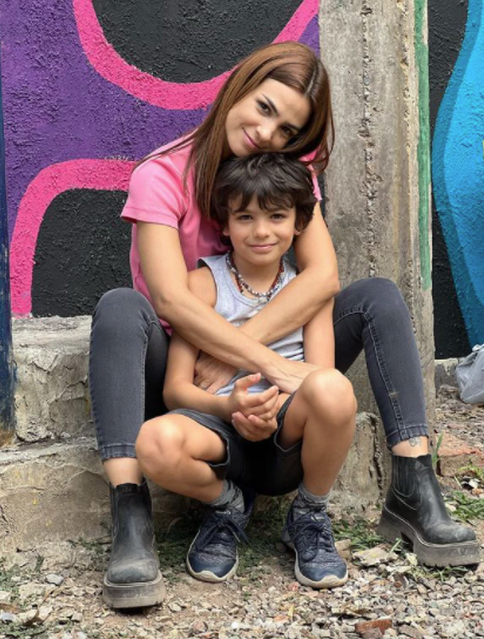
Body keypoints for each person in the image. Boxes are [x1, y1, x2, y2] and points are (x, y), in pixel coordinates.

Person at [89, 41, 479, 609]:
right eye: (265, 108)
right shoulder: (161, 175)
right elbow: (171, 300)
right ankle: (130, 513)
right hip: (185, 367)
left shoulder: (287, 172)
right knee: (121, 307)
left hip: (273, 377)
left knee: (377, 297)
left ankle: (414, 484)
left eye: (288, 129)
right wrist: (260, 363)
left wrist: (241, 352)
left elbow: (322, 277)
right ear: (238, 88)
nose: (268, 133)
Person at [136, 153, 357, 589]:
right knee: (154, 441)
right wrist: (229, 406)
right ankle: (227, 505)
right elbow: (176, 390)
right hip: (217, 430)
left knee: (334, 389)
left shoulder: (309, 291)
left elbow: (321, 377)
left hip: (286, 433)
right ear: (224, 223)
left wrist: (273, 405)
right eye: (245, 217)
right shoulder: (200, 285)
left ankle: (309, 514)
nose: (261, 231)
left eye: (276, 216)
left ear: (299, 222)